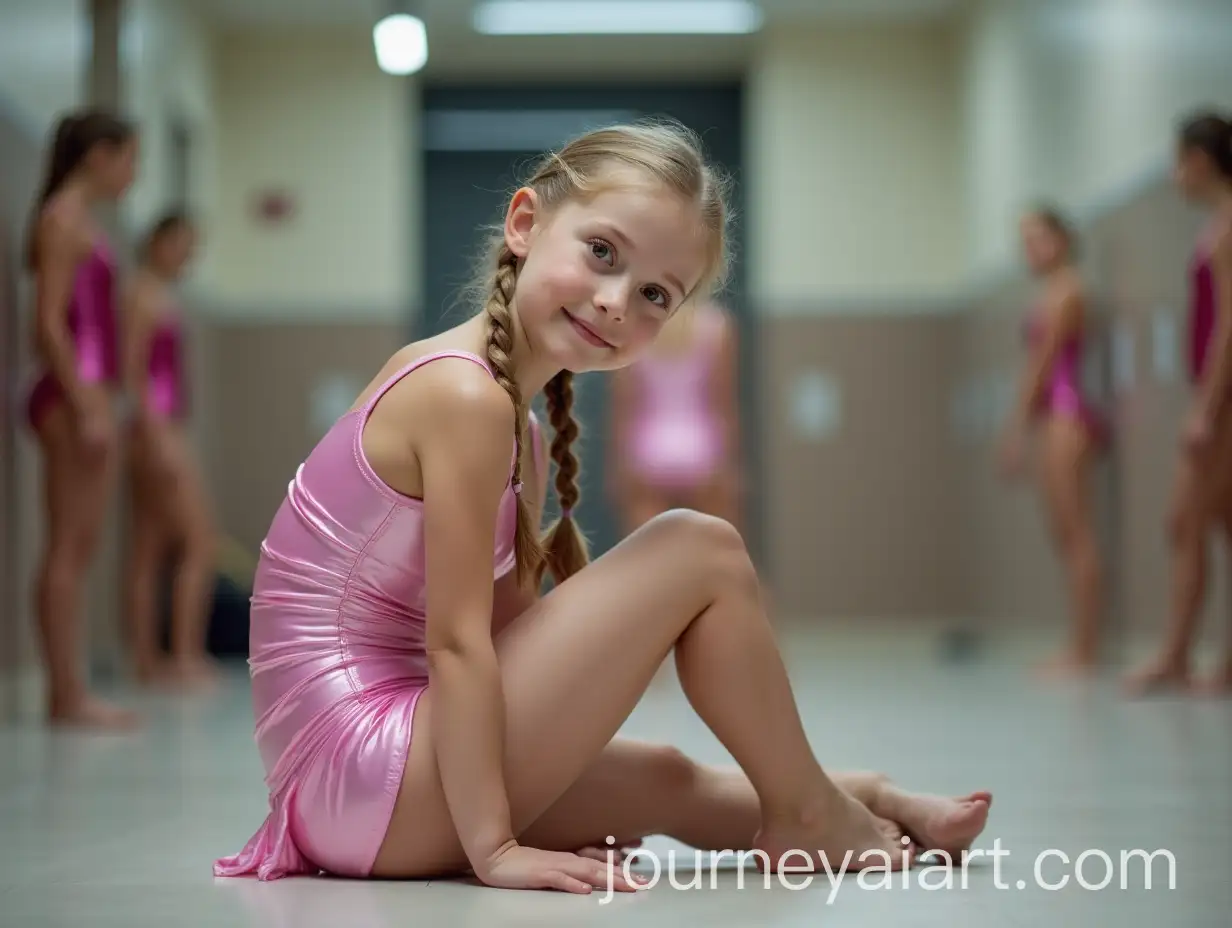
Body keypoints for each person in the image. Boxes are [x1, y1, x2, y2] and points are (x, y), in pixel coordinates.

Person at [214, 120, 991, 891]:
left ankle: (868, 797)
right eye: (602, 253)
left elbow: (508, 640)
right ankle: (810, 817)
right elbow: (457, 647)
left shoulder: (513, 421)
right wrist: (495, 847)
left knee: (663, 776)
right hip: (361, 776)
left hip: (358, 791)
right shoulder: (462, 395)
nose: (618, 301)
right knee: (698, 546)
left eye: (656, 293)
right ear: (525, 223)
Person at [24, 108, 140, 729]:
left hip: (82, 396)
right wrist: (85, 402)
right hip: (71, 399)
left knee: (76, 546)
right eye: (130, 158)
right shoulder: (63, 220)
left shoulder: (77, 220)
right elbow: (47, 322)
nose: (133, 173)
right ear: (100, 154)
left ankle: (66, 692)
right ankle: (66, 695)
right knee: (68, 547)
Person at [1125, 111, 1232, 696]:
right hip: (1220, 398)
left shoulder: (1227, 227)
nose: (1175, 175)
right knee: (1217, 524)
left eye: (1179, 161)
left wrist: (1205, 411)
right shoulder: (1218, 225)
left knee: (1185, 520)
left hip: (1224, 403)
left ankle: (1175, 653)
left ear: (1200, 159)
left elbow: (1229, 327)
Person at [997, 207, 1107, 678]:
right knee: (1063, 532)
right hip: (1056, 417)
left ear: (1063, 238)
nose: (1031, 249)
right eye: (1024, 240)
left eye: (1039, 237)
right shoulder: (1054, 290)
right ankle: (1078, 643)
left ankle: (1084, 650)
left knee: (1075, 532)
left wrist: (1015, 429)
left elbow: (1042, 366)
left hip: (1066, 415)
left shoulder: (1066, 291)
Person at [120, 211, 218, 688]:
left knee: (150, 546)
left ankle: (147, 660)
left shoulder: (152, 292)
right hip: (157, 432)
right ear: (158, 241)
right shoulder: (144, 293)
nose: (188, 256)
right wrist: (157, 436)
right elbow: (133, 370)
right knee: (199, 542)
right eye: (183, 244)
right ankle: (183, 655)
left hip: (156, 429)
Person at [607, 299, 742, 535]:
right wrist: (730, 465)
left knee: (644, 555)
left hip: (647, 450)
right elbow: (722, 404)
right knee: (710, 553)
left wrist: (618, 465)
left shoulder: (633, 327)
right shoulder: (716, 326)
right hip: (702, 448)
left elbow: (625, 407)